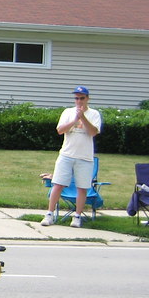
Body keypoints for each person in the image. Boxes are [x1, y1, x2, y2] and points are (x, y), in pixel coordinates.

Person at [42, 85, 103, 228]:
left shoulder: (94, 114)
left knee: (82, 188)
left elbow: (93, 132)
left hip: (85, 157)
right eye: (76, 98)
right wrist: (75, 119)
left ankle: (77, 216)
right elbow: (60, 130)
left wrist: (83, 118)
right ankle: (49, 214)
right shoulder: (67, 112)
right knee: (58, 184)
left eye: (82, 98)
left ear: (87, 99)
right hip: (67, 154)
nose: (79, 101)